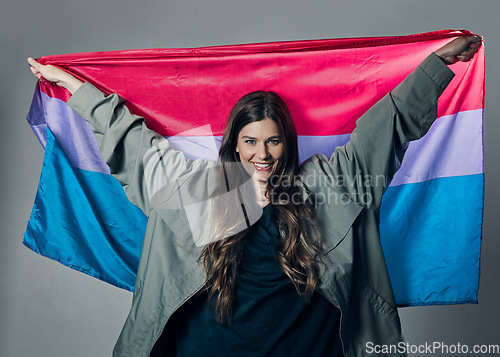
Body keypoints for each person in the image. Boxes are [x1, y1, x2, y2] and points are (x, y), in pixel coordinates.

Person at [28, 35, 482, 357]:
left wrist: (436, 65)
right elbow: (138, 149)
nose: (261, 154)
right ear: (234, 145)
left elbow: (388, 128)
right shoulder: (205, 191)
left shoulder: (324, 187)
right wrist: (79, 90)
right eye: (249, 141)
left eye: (272, 141)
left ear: (287, 143)